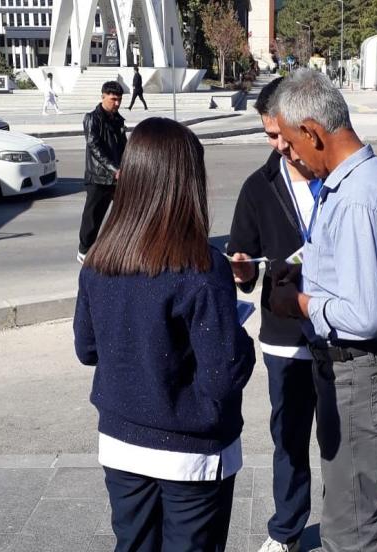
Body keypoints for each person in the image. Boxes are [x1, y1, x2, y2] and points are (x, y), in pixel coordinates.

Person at [74, 117, 256, 551]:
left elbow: (87, 348)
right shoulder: (201, 266)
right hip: (191, 452)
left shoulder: (101, 258)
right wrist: (240, 341)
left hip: (121, 442)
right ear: (185, 183)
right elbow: (222, 377)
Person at [267, 68, 377, 552]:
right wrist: (301, 272)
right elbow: (338, 262)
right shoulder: (352, 181)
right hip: (351, 368)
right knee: (344, 502)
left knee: (349, 525)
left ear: (311, 132)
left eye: (289, 143)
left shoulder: (358, 197)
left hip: (361, 367)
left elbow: (364, 315)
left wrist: (302, 302)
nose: (287, 154)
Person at [227, 77, 319, 552]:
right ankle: (287, 530)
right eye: (269, 135)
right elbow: (244, 265)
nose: (280, 145)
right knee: (289, 438)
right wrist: (242, 271)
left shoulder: (340, 175)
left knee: (345, 442)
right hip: (285, 336)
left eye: (284, 133)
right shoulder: (258, 187)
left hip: (345, 332)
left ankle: (350, 529)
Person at [77, 81, 127, 263]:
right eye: (113, 99)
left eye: (120, 100)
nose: (117, 103)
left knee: (125, 213)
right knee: (93, 217)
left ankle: (118, 247)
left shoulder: (118, 119)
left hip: (118, 177)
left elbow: (124, 145)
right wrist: (115, 170)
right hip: (98, 177)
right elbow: (94, 147)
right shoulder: (92, 118)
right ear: (103, 96)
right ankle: (84, 250)